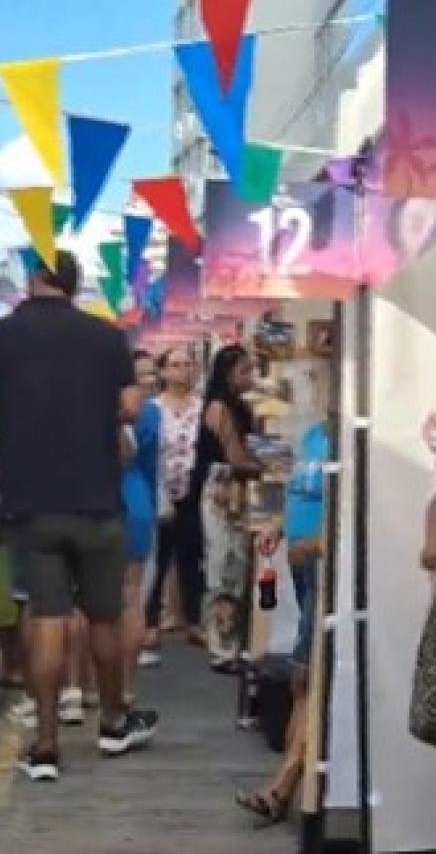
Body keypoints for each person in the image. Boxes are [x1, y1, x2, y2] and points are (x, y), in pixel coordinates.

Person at [0, 251, 157, 782]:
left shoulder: (5, 334)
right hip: (96, 496)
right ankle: (113, 722)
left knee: (44, 617)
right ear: (74, 283)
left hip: (28, 500)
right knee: (104, 614)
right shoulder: (106, 336)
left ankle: (44, 745)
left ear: (32, 280)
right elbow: (132, 406)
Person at [235, 412, 330, 824]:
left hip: (322, 563)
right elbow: (300, 492)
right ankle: (287, 784)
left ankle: (283, 785)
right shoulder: (313, 435)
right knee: (301, 676)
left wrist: (319, 542)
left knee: (309, 676)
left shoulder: (345, 440)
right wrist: (277, 524)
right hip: (301, 565)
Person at [196, 344, 261, 670]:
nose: (251, 376)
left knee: (235, 564)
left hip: (234, 490)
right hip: (224, 490)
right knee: (224, 563)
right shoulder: (220, 409)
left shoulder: (240, 406)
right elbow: (235, 456)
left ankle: (230, 641)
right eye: (244, 370)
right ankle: (221, 644)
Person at [142, 345, 205, 662]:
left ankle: (193, 619)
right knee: (158, 557)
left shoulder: (202, 408)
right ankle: (150, 621)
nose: (182, 370)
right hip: (159, 488)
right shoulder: (152, 408)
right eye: (175, 365)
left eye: (187, 364)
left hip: (195, 491)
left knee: (192, 556)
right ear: (163, 371)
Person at [118, 350, 160, 698]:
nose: (148, 381)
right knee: (131, 598)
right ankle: (123, 690)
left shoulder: (89, 410)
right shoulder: (151, 413)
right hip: (137, 501)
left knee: (84, 602)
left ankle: (78, 688)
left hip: (98, 503)